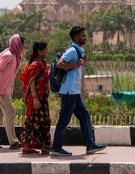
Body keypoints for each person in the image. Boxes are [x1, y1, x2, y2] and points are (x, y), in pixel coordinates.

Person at [50, 26, 107, 156]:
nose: (85, 37)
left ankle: (90, 144)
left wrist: (80, 62)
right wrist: (76, 65)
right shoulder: (72, 50)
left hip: (74, 92)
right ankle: (56, 148)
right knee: (64, 120)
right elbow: (60, 64)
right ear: (76, 37)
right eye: (82, 35)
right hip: (69, 92)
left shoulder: (78, 50)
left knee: (84, 116)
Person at [18, 41, 51, 154]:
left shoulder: (43, 63)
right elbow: (31, 82)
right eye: (45, 49)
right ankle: (44, 145)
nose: (47, 51)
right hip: (37, 98)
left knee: (36, 121)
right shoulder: (35, 65)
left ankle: (30, 145)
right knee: (41, 121)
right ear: (39, 51)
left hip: (43, 97)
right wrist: (35, 98)